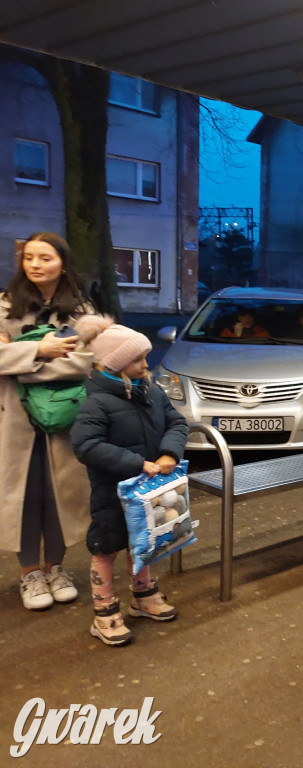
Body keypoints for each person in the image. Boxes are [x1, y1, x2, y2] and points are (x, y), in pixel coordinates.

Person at [70, 317, 188, 646]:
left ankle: (143, 595)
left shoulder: (151, 390)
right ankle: (104, 612)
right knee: (106, 547)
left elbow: (177, 423)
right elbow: (85, 445)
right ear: (116, 363)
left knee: (144, 542)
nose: (146, 363)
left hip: (148, 490)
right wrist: (139, 464)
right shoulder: (96, 402)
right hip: (113, 492)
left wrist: (169, 454)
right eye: (137, 359)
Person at [0, 232, 97, 611]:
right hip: (14, 421)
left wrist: (18, 361)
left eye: (45, 257)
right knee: (25, 496)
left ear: (63, 263)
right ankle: (30, 574)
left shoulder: (81, 311)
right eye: (29, 258)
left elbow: (84, 362)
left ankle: (56, 568)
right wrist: (42, 350)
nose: (35, 264)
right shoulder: (5, 306)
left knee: (61, 496)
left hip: (64, 416)